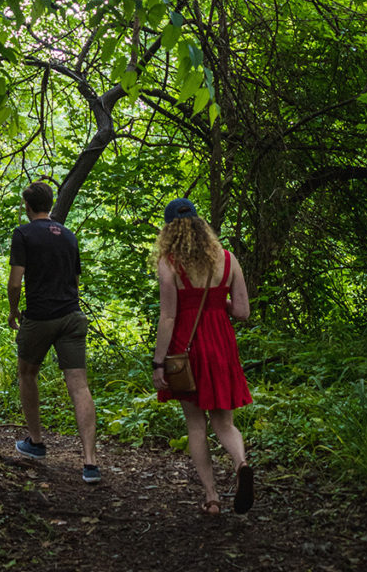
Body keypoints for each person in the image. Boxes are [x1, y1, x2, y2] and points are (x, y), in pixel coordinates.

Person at [151, 197, 254, 515]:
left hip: (187, 347)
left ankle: (211, 498)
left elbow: (168, 317)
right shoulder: (227, 258)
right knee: (224, 422)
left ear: (169, 230)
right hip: (221, 345)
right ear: (200, 225)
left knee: (196, 425)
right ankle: (241, 464)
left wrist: (158, 362)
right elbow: (242, 312)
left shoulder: (169, 263)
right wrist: (215, 302)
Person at [7, 181, 100, 484]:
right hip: (72, 315)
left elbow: (15, 282)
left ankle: (36, 443)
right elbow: (74, 279)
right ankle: (89, 462)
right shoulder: (69, 236)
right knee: (79, 385)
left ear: (27, 206)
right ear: (50, 203)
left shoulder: (23, 233)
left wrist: (13, 310)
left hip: (40, 316)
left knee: (27, 373)